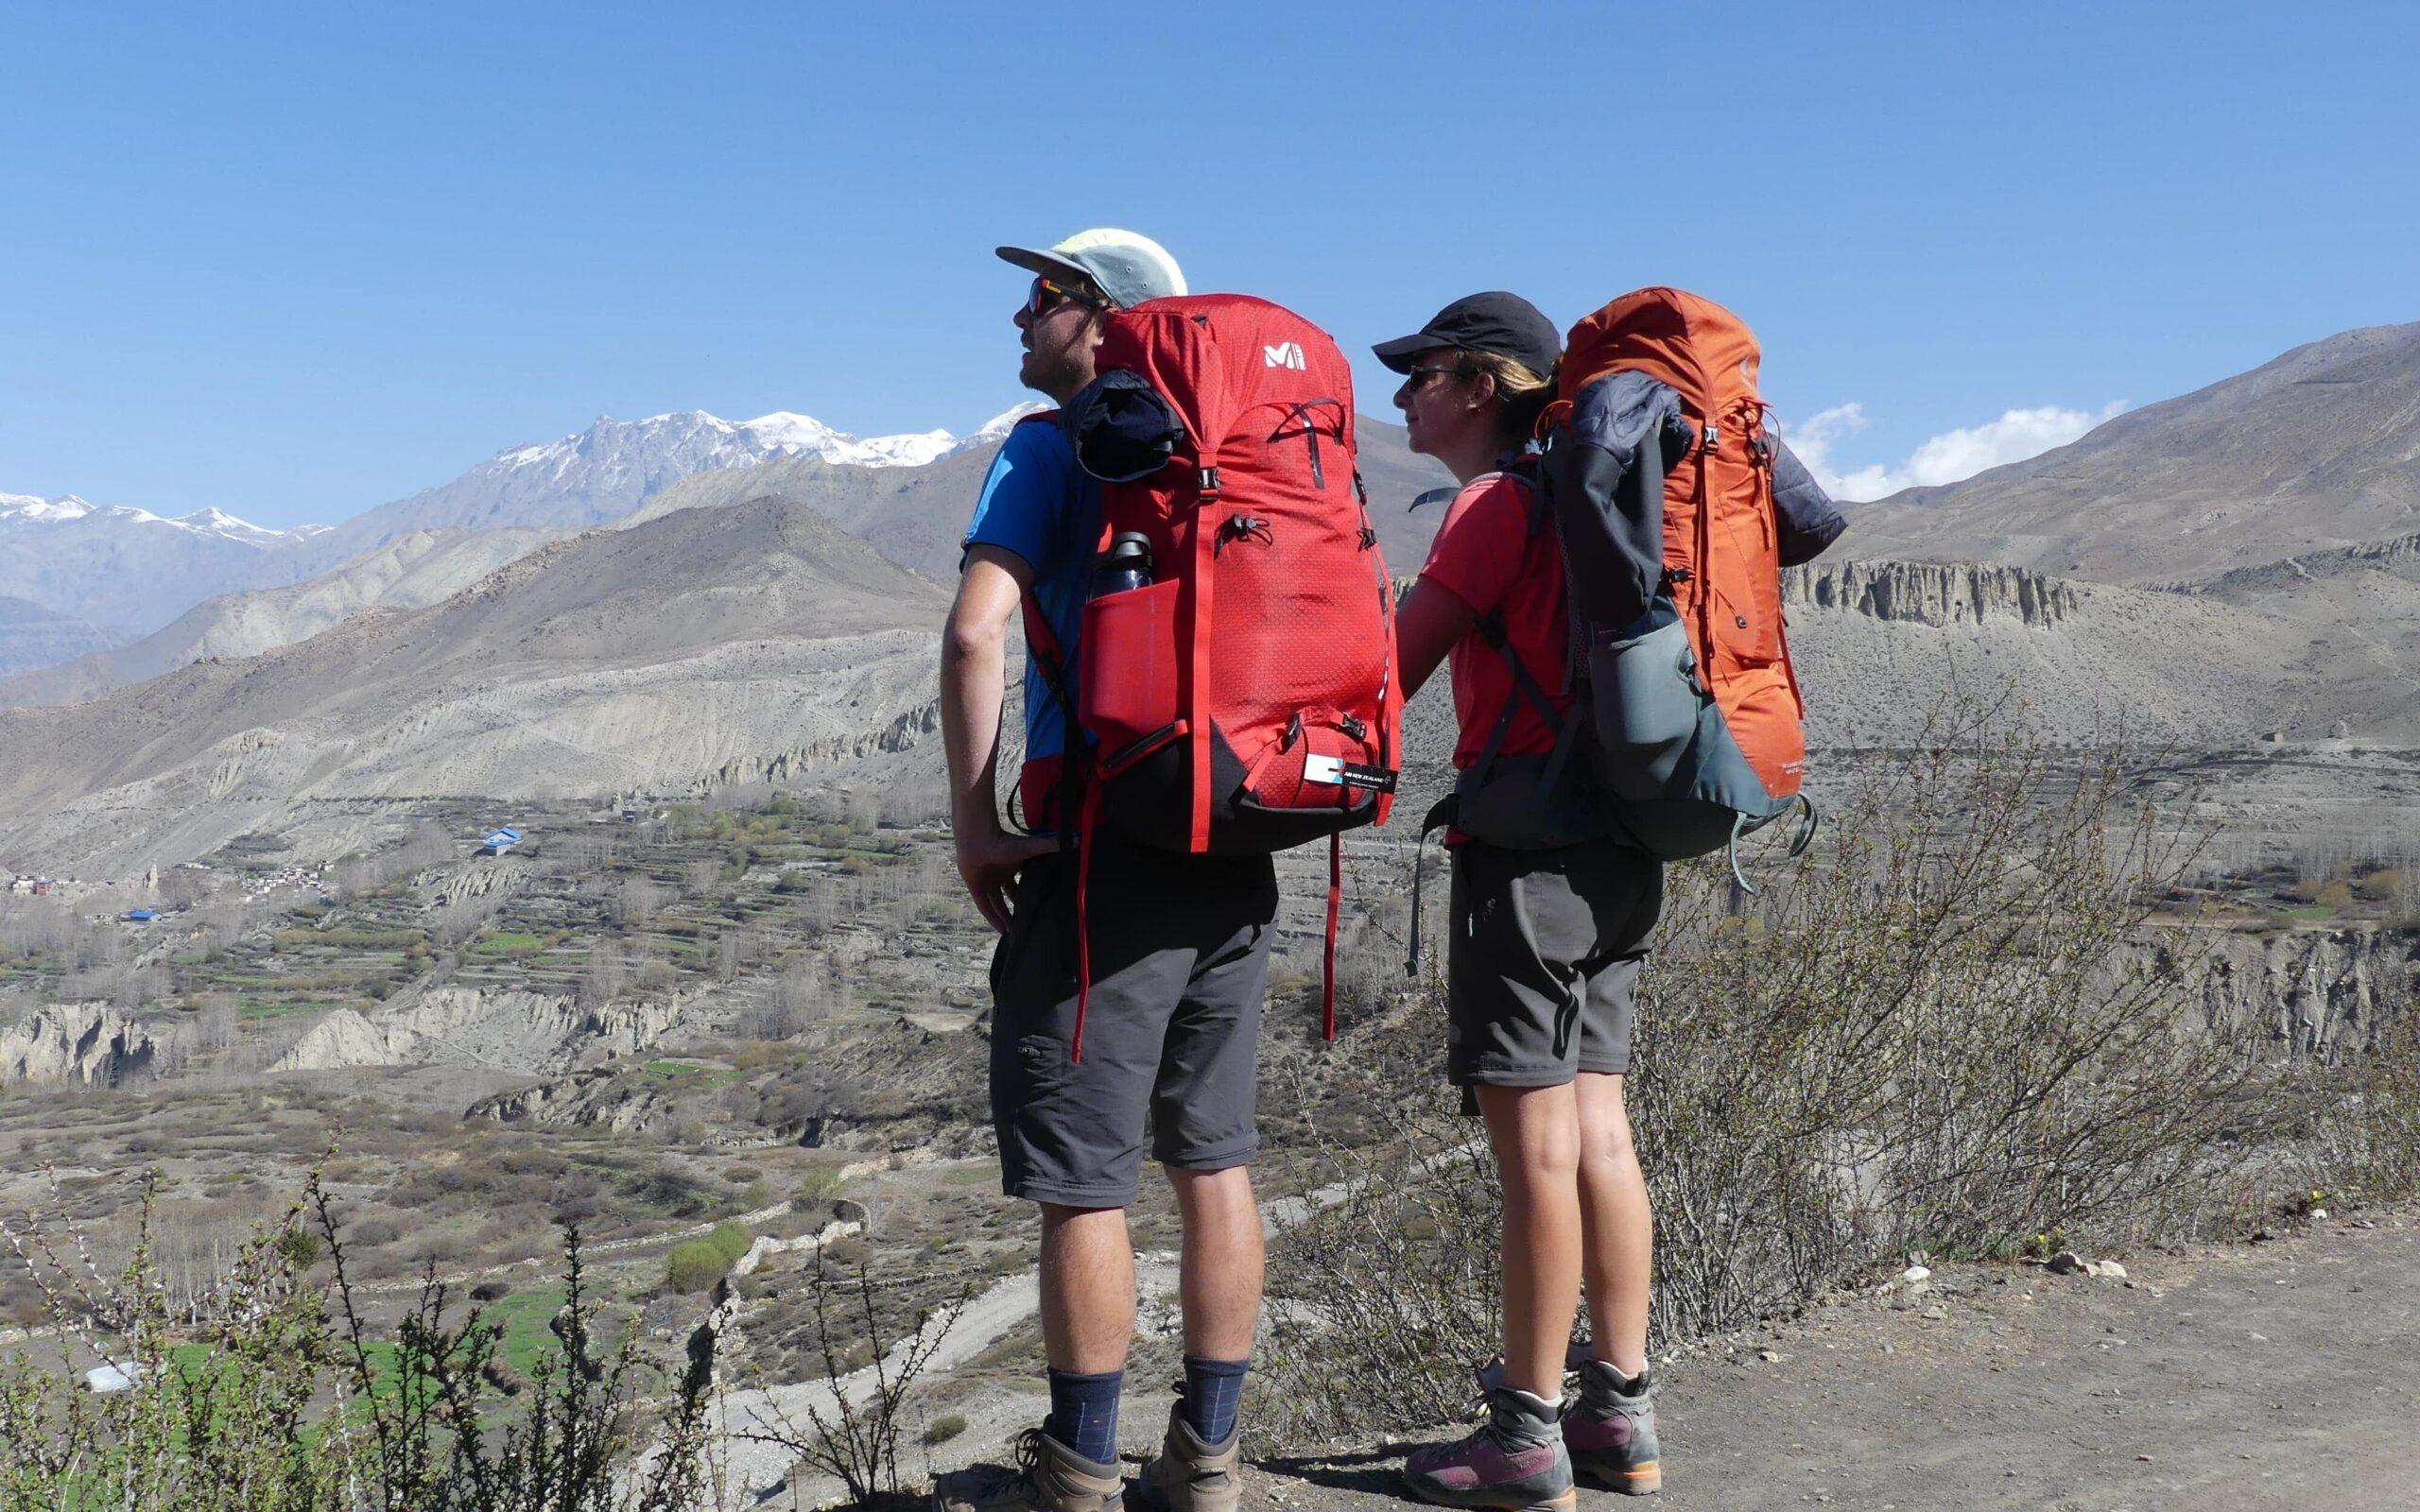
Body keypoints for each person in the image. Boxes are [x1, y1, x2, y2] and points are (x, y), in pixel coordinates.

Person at [934, 230, 1267, 1512]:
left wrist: (975, 819)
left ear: (1106, 321)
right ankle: (1211, 1460)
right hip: (1237, 839)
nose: (1020, 322)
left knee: (1085, 1180)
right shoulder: (1243, 452)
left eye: (1044, 300)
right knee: (1215, 1156)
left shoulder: (1051, 444)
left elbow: (976, 636)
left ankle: (1077, 1471)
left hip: (1099, 855)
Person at [1380, 292, 1664, 1508]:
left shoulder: (1494, 507)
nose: (1399, 394)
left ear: (1483, 385)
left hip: (1526, 855)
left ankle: (1525, 1434)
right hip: (1617, 843)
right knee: (1601, 1129)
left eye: (1423, 372)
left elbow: (1390, 672)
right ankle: (1620, 1415)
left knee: (1535, 1152)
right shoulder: (1589, 502)